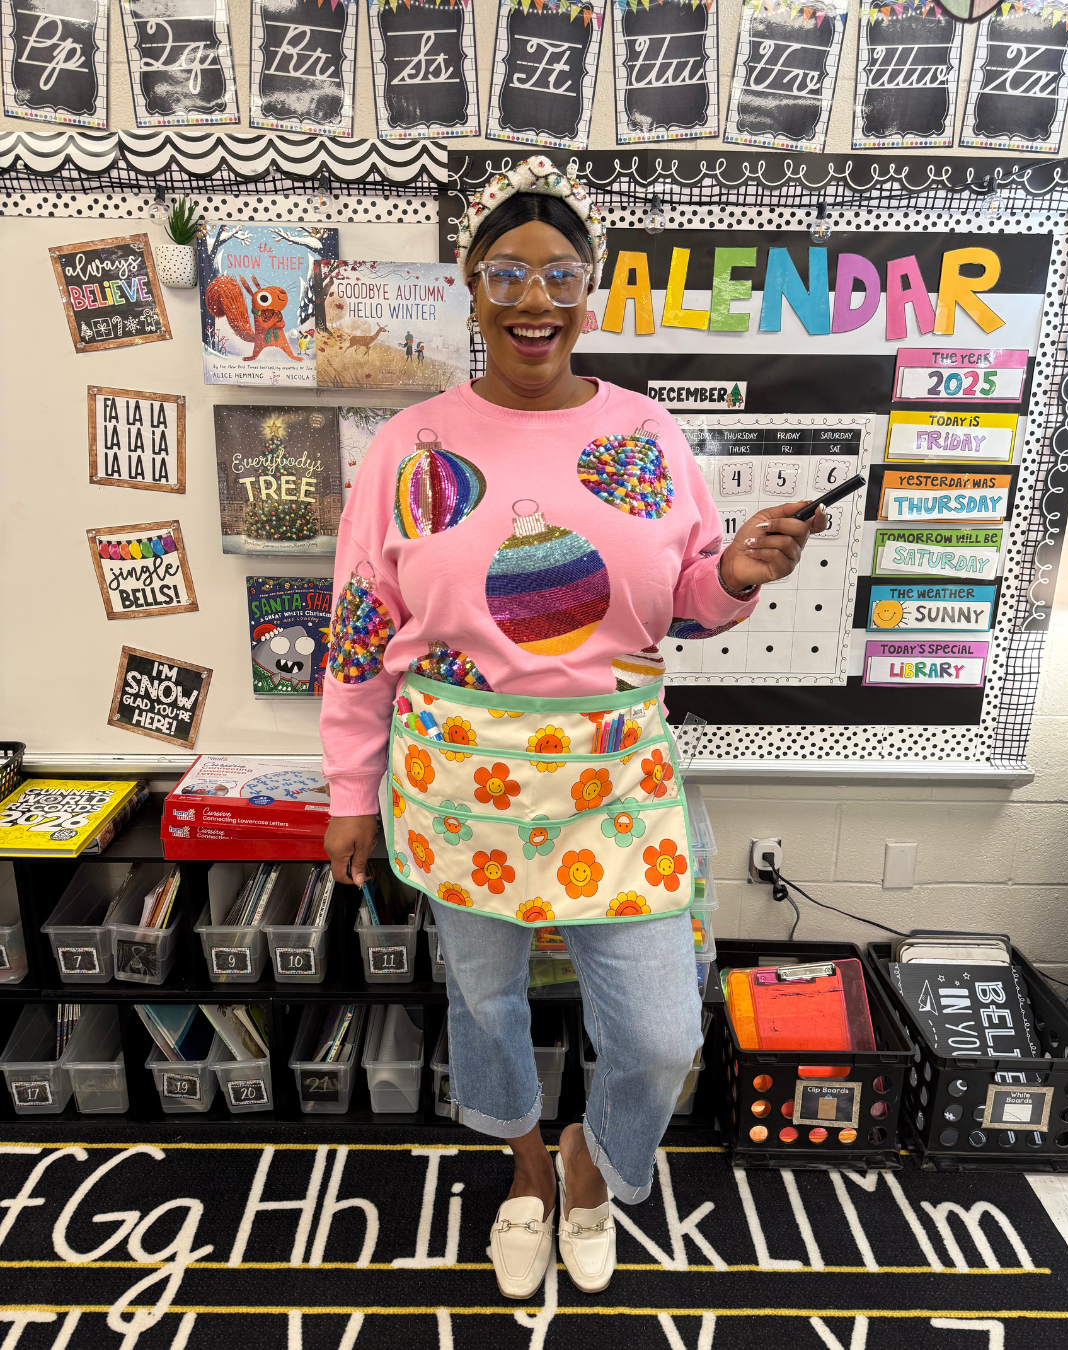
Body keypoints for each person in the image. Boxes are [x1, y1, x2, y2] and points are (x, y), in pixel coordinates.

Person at [321, 156, 825, 1301]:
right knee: (484, 998)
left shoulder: (648, 436)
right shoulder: (408, 447)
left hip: (615, 776)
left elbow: (682, 601)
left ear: (589, 287)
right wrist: (350, 789)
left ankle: (596, 1161)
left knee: (657, 1033)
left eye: (559, 274)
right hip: (458, 779)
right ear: (470, 284)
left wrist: (734, 573)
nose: (533, 298)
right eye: (507, 273)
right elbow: (360, 634)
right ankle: (527, 1167)